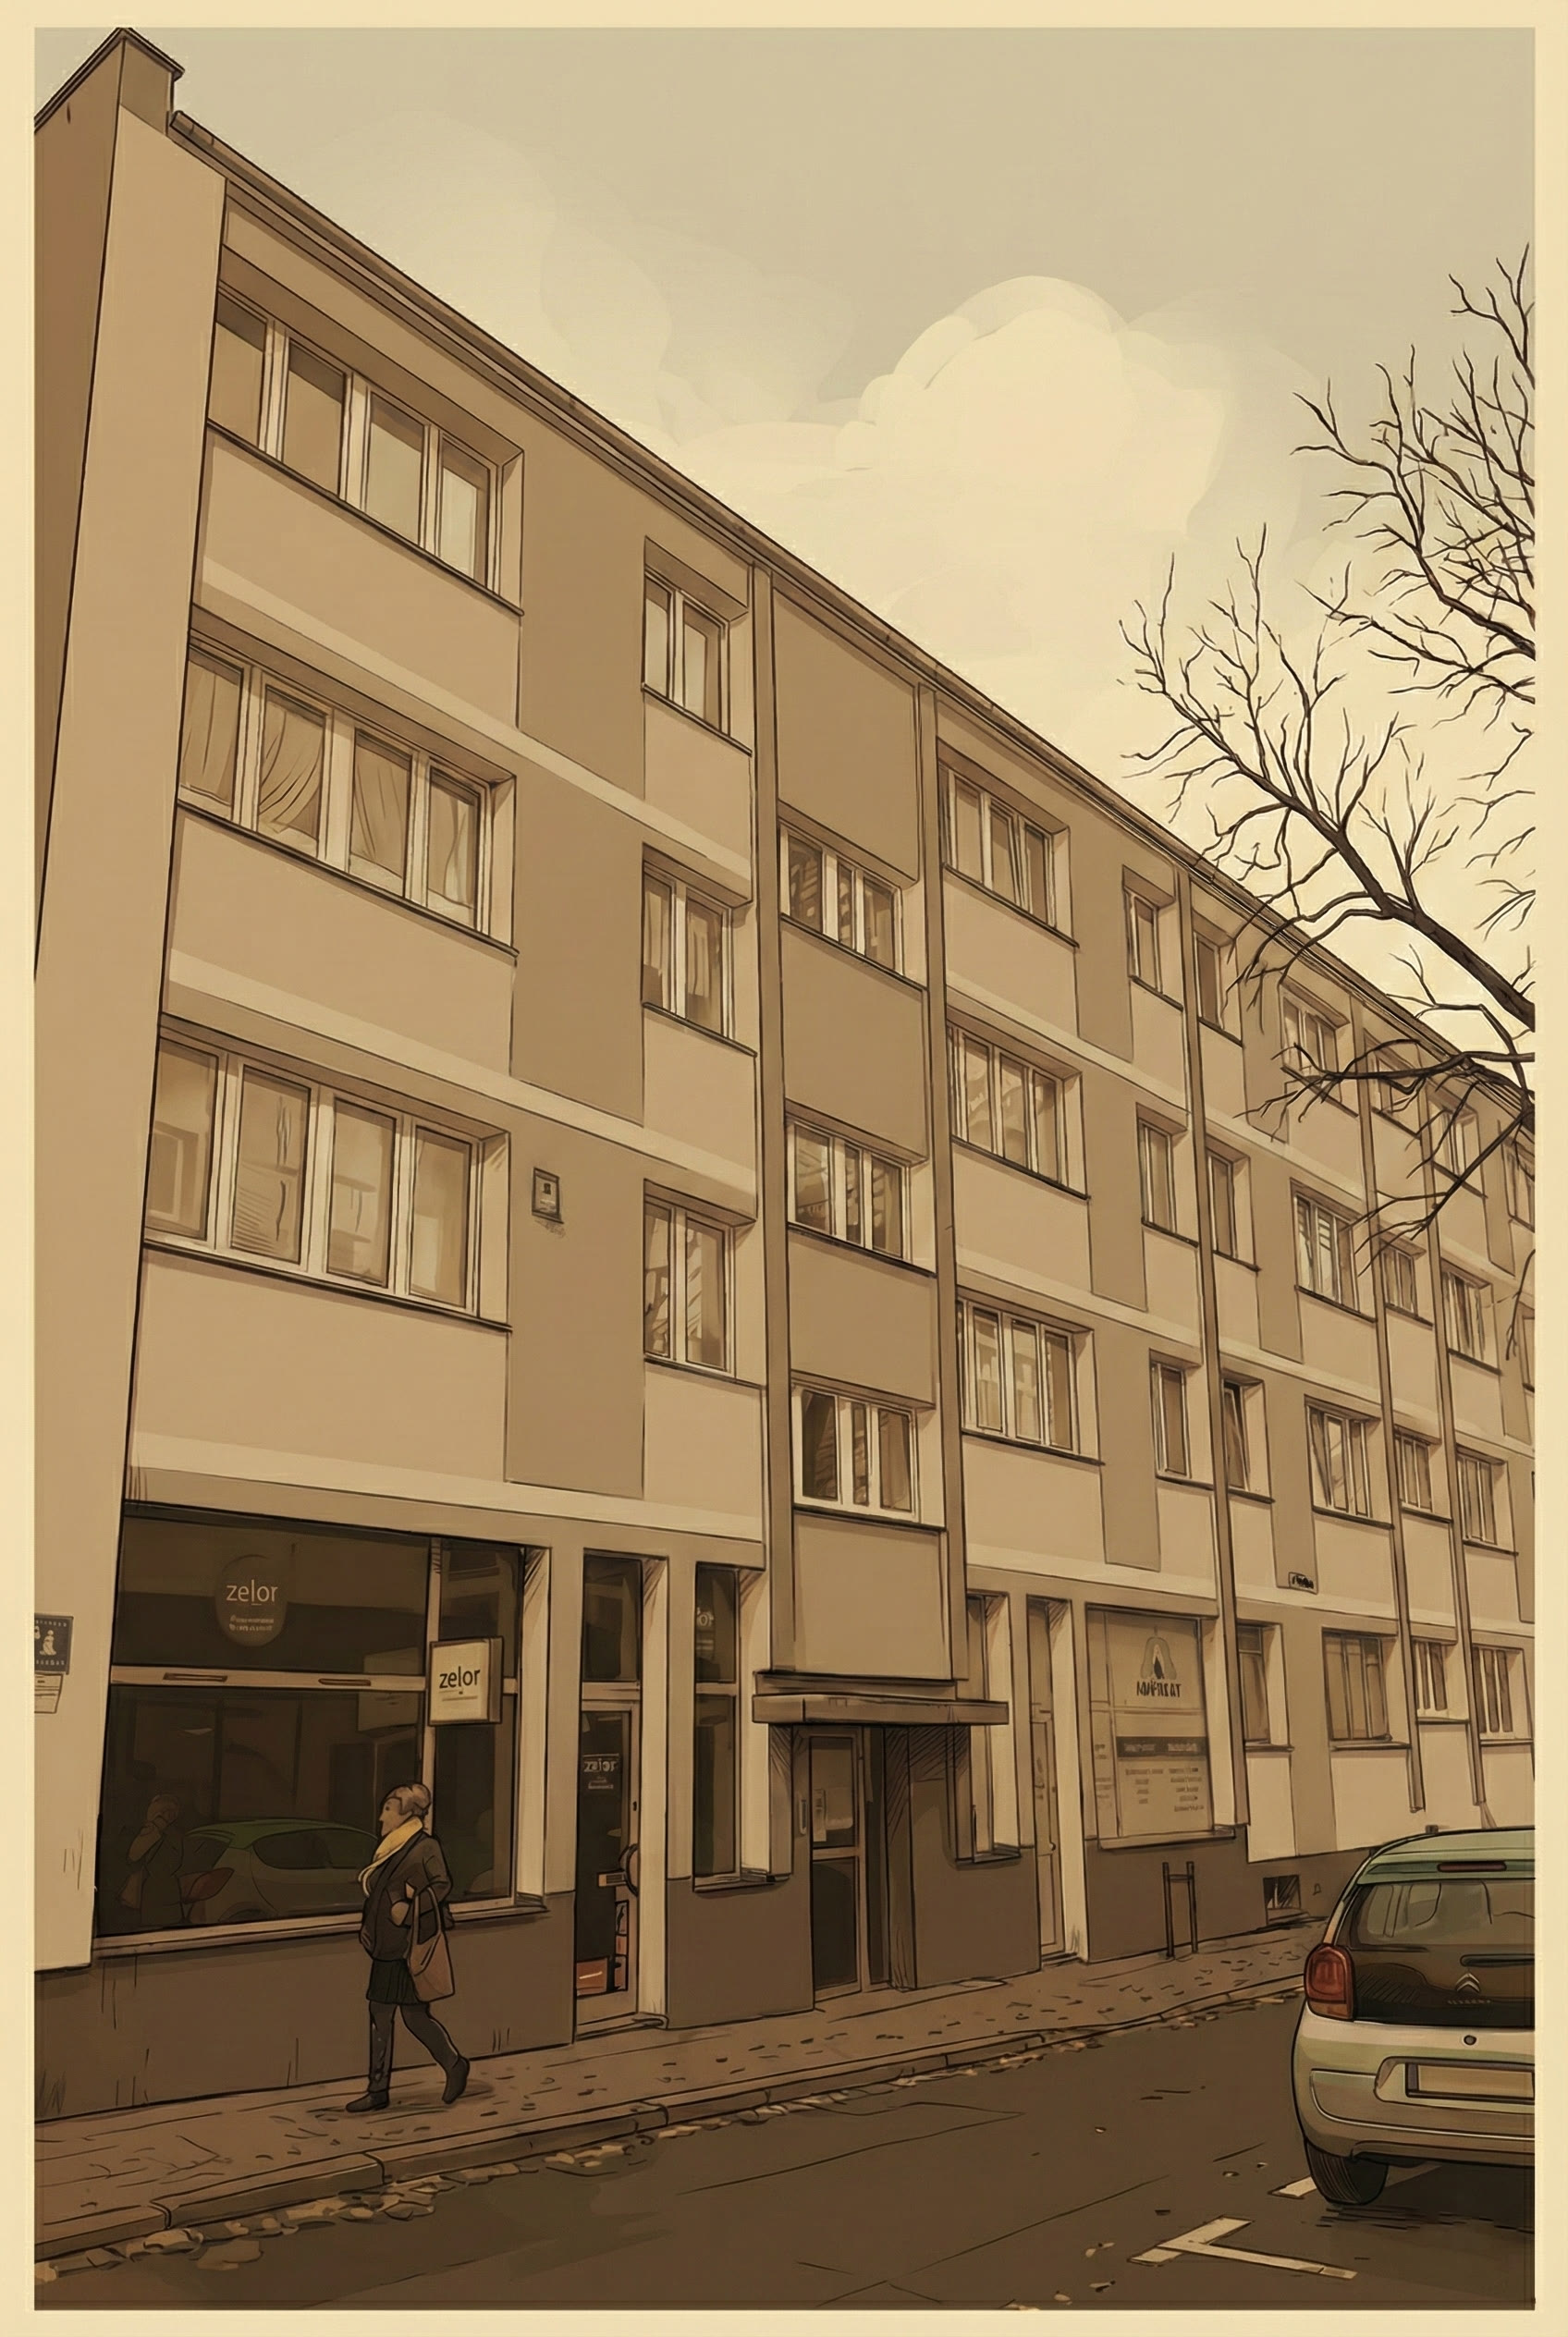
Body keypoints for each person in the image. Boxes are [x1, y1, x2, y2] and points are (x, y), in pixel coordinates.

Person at [346, 1781, 470, 2113]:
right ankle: (379, 2089)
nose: (381, 1814)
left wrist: (412, 1909)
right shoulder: (390, 1846)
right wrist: (369, 1926)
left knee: (409, 2016)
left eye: (389, 1807)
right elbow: (382, 1892)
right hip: (386, 1944)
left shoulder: (424, 1846)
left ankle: (451, 2065)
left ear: (407, 1814)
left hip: (406, 1946)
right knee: (383, 2013)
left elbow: (442, 1885)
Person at [119, 1794, 187, 1932]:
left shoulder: (173, 1837)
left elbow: (166, 1867)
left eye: (170, 1812)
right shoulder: (138, 1832)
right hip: (134, 1903)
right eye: (161, 1811)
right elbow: (132, 1857)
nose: (166, 1815)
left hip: (162, 1905)